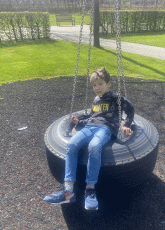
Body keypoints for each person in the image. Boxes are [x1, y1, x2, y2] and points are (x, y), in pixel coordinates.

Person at [44, 67, 134, 210]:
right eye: (94, 85)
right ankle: (68, 191)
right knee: (72, 144)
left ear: (108, 84)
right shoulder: (96, 100)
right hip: (89, 127)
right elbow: (93, 117)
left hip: (105, 128)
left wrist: (125, 125)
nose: (97, 88)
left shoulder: (116, 98)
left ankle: (90, 189)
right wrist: (79, 123)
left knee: (94, 146)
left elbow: (130, 109)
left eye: (100, 84)